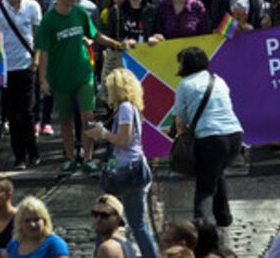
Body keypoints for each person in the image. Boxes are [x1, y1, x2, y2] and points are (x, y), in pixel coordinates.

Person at [37, 0, 125, 174]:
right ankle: (69, 157)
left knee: (88, 117)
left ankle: (88, 157)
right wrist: (43, 80)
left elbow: (95, 34)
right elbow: (44, 52)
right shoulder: (49, 20)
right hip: (60, 77)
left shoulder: (80, 13)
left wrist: (116, 44)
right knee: (66, 120)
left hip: (83, 73)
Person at [172, 45, 244, 229]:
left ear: (185, 65)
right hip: (234, 135)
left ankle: (201, 226)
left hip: (211, 138)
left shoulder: (185, 85)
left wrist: (183, 143)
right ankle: (223, 216)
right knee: (216, 172)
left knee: (204, 187)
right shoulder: (218, 80)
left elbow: (180, 122)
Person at [91, 67, 157, 258]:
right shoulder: (130, 107)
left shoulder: (126, 108)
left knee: (127, 222)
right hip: (129, 168)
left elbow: (123, 139)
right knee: (127, 222)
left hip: (127, 170)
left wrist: (103, 134)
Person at [0, 0, 42, 168]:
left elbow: (38, 36)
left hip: (26, 65)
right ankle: (19, 155)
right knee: (12, 114)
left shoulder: (32, 6)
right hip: (5, 69)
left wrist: (36, 60)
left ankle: (33, 151)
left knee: (27, 112)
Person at [90, 194, 134, 258]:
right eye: (95, 214)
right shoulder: (126, 243)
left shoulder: (107, 248)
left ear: (118, 219)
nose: (98, 219)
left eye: (104, 215)